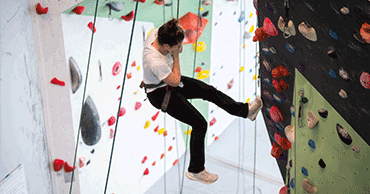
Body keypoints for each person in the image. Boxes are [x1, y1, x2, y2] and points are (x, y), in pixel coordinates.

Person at [142, 18, 263, 184]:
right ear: (166, 47)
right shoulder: (155, 61)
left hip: (165, 81)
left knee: (209, 91)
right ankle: (196, 170)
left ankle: (245, 111)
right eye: (177, 47)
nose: (180, 48)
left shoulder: (159, 34)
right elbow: (176, 81)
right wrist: (176, 55)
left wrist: (177, 43)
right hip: (160, 94)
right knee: (199, 124)